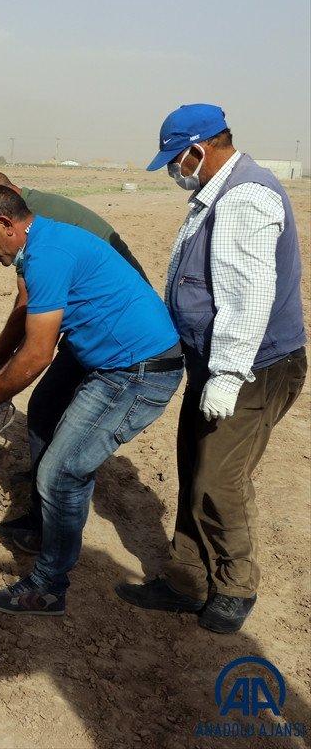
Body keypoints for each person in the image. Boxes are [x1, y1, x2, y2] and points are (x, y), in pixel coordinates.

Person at [116, 104, 306, 634]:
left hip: (251, 367)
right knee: (194, 465)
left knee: (220, 478)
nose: (176, 172)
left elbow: (248, 297)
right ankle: (187, 579)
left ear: (198, 150)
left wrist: (225, 373)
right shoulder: (218, 190)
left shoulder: (245, 196)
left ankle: (234, 586)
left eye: (176, 161)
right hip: (217, 361)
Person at [0, 186, 184, 616]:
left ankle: (47, 588)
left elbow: (40, 353)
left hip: (137, 372)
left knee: (62, 472)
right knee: (46, 419)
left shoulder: (47, 256)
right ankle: (48, 529)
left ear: (5, 224)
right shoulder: (44, 241)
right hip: (113, 363)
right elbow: (30, 321)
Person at [0, 170, 148, 554]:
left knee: (62, 453)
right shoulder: (29, 226)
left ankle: (51, 522)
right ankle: (46, 500)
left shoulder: (42, 231)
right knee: (46, 406)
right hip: (98, 322)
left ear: (3, 210)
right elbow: (29, 304)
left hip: (117, 331)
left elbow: (38, 347)